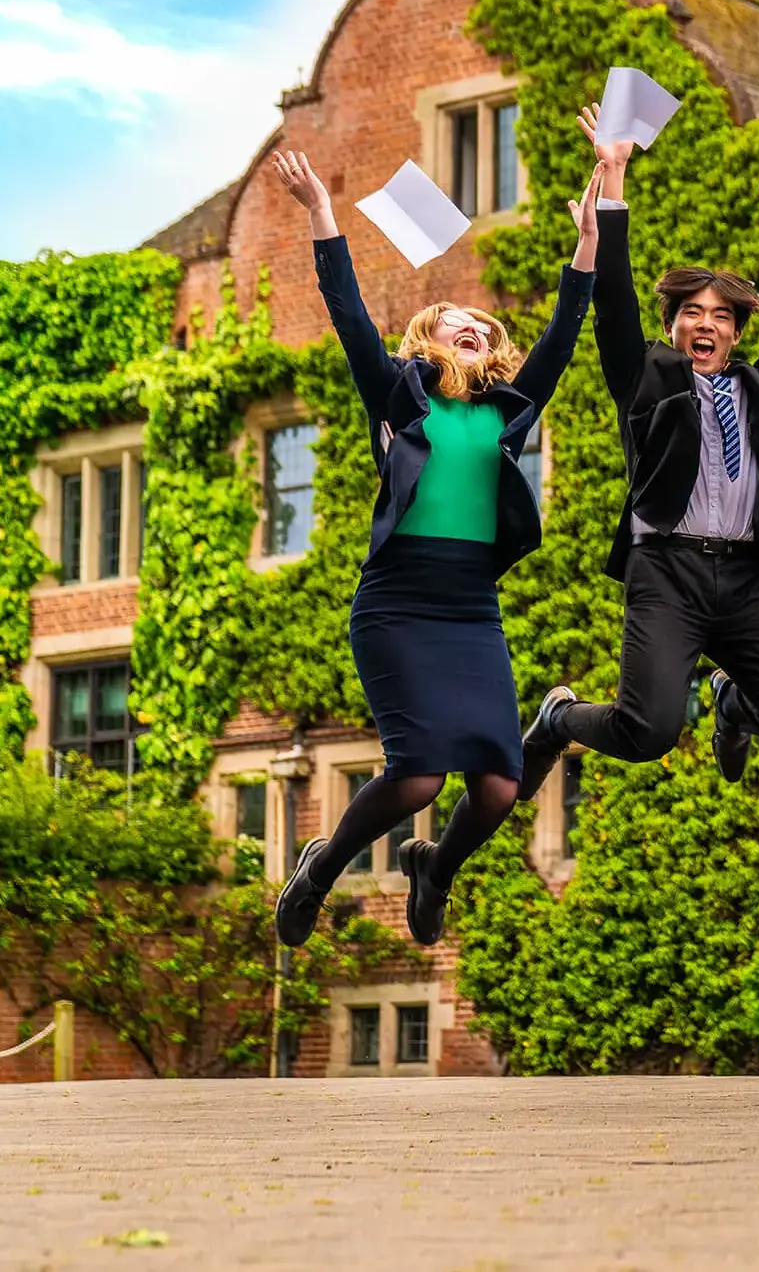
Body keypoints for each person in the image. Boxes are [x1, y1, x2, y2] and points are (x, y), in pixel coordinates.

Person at [268, 148, 598, 949]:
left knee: (498, 785)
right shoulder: (397, 393)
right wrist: (321, 213)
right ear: (428, 337)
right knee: (416, 775)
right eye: (462, 321)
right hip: (397, 604)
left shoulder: (509, 414)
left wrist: (589, 241)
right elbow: (348, 313)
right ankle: (319, 868)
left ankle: (435, 872)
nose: (479, 329)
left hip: (469, 609)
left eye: (487, 329)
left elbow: (560, 337)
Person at [517, 106, 759, 795]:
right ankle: (560, 718)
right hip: (666, 573)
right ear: (672, 326)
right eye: (693, 313)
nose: (707, 324)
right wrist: (616, 176)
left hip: (746, 578)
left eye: (721, 315)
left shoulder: (755, 387)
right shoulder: (645, 379)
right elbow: (615, 301)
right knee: (648, 732)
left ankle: (731, 703)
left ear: (736, 334)